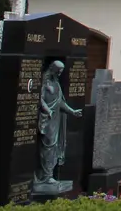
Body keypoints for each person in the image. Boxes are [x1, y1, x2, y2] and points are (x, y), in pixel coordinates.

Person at [34, 59, 84, 192]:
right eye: (59, 71)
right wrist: (47, 110)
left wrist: (72, 111)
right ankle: (44, 176)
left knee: (54, 147)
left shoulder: (56, 83)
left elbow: (60, 102)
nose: (60, 73)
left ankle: (49, 175)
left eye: (62, 71)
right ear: (52, 69)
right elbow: (39, 98)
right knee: (48, 146)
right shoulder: (45, 82)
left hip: (56, 119)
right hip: (47, 119)